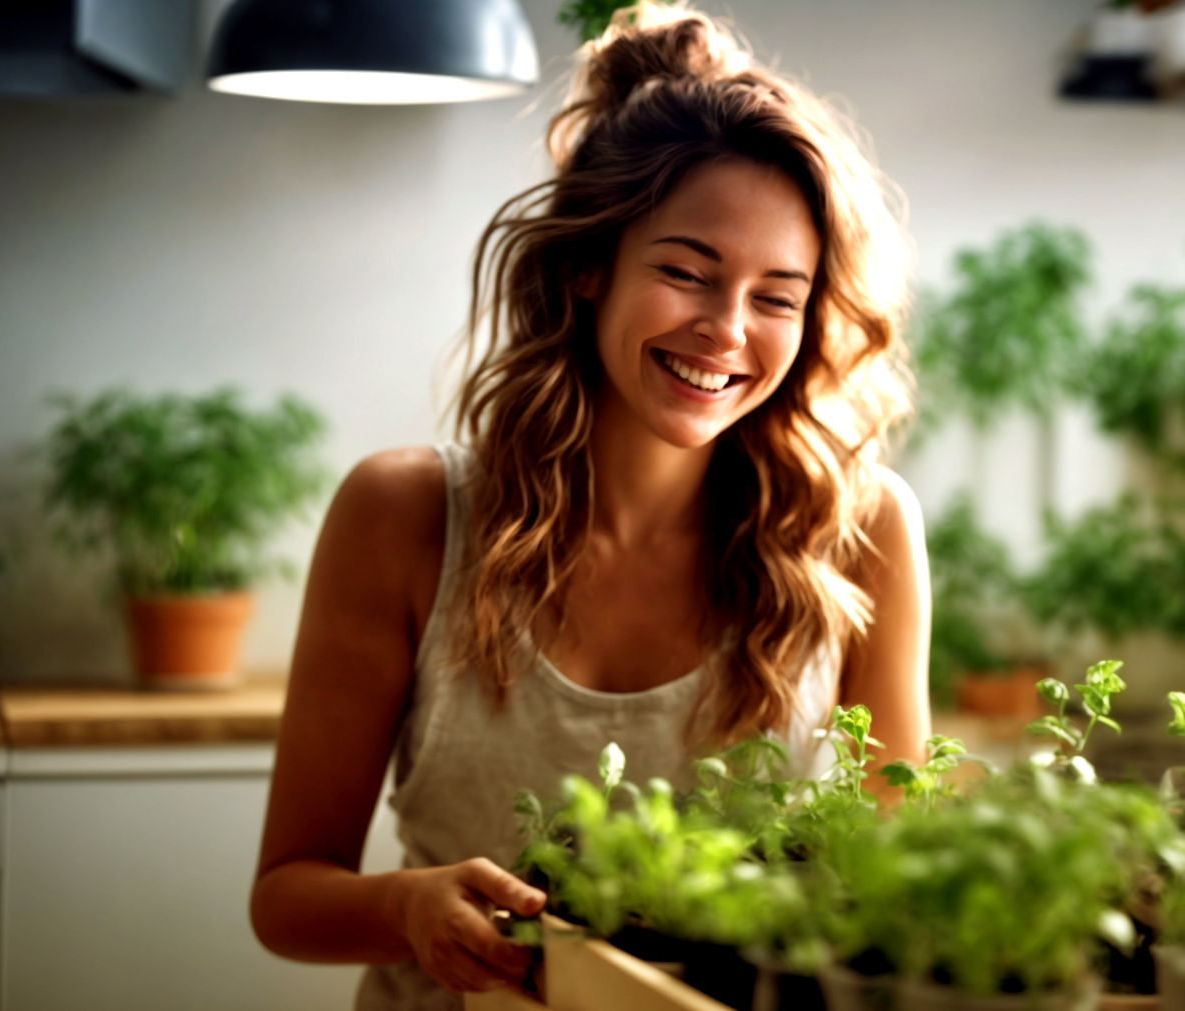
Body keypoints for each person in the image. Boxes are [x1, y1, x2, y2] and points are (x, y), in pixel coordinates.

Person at [247, 5, 931, 1007]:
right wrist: (406, 906)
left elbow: (892, 879)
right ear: (584, 267)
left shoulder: (862, 531)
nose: (725, 331)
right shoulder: (404, 516)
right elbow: (285, 897)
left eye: (777, 297)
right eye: (686, 273)